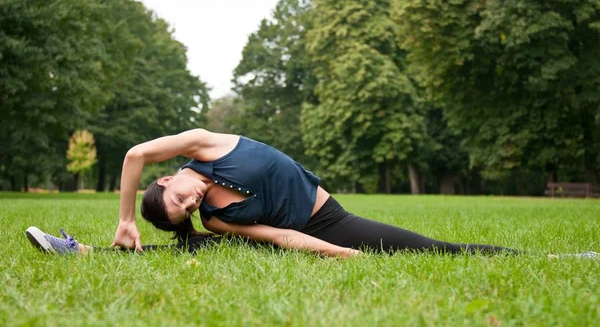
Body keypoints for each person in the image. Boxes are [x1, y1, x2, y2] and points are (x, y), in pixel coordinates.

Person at [25, 129, 599, 259]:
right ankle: (80, 252)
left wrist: (126, 217)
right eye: (185, 211)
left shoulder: (204, 143)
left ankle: (553, 257)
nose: (190, 202)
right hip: (318, 234)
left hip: (331, 214)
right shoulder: (219, 221)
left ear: (166, 178)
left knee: (425, 244)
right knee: (201, 246)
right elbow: (276, 234)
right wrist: (345, 257)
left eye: (178, 199)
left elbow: (132, 155)